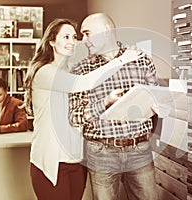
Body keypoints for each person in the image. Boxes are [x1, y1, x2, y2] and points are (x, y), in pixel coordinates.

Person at [24, 18, 142, 200]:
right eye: (65, 37)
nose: (72, 41)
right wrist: (121, 60)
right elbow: (82, 83)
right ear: (51, 42)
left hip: (77, 161)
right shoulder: (44, 72)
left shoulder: (72, 69)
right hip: (51, 162)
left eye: (74, 36)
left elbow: (86, 109)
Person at [69, 13, 159, 200]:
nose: (83, 40)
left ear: (106, 31)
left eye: (87, 33)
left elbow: (157, 99)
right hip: (101, 153)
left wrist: (160, 106)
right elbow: (74, 116)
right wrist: (105, 103)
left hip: (140, 150)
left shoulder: (141, 60)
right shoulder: (81, 69)